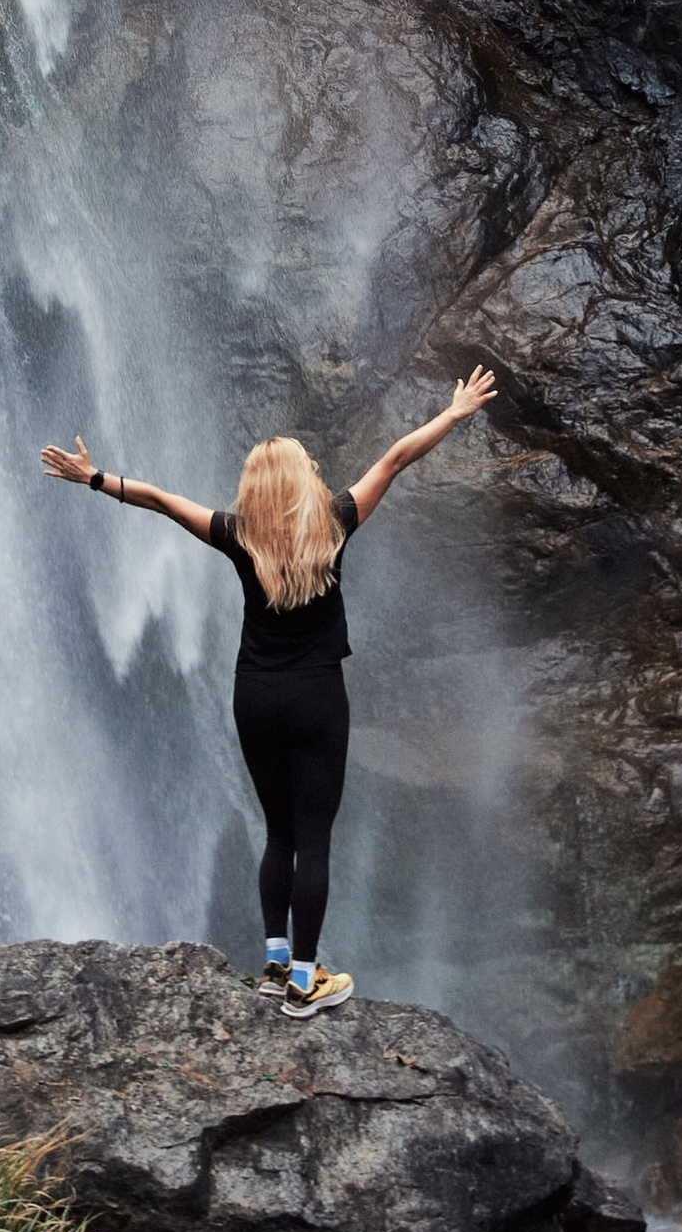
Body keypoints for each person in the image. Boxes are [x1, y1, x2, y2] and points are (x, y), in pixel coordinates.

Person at [38, 369, 499, 1014]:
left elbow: (165, 500)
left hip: (254, 696)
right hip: (316, 698)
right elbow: (395, 457)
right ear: (303, 481)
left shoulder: (237, 534)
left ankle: (275, 964)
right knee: (314, 836)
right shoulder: (336, 522)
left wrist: (94, 478)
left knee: (278, 830)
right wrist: (452, 415)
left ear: (255, 489)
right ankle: (307, 984)